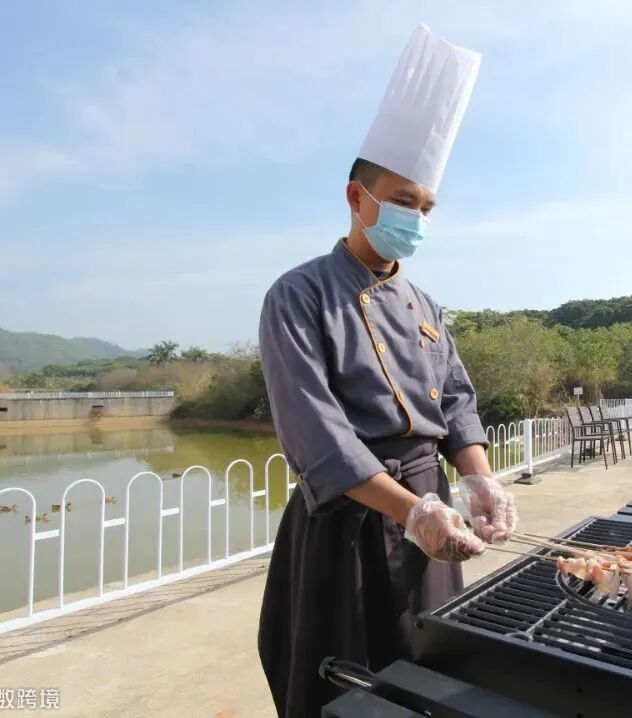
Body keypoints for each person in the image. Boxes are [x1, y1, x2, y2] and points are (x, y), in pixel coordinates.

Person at [256, 25, 518, 718]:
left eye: (426, 207)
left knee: (427, 672)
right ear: (356, 196)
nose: (416, 218)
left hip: (431, 507)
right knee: (341, 685)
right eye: (403, 201)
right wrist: (411, 511)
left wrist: (478, 478)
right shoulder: (298, 294)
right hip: (347, 515)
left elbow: (455, 400)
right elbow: (315, 432)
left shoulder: (425, 303)